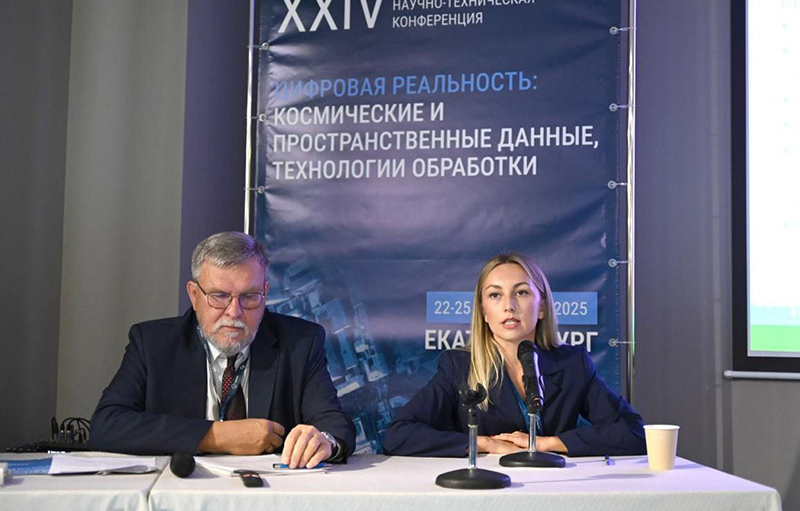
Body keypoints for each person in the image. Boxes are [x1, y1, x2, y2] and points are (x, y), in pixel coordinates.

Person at [91, 231, 355, 468]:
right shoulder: (153, 343)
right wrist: (217, 435)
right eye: (219, 296)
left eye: (249, 297)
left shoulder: (300, 342)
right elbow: (107, 425)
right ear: (194, 295)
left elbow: (334, 424)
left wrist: (324, 441)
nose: (234, 312)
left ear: (265, 293)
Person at [383, 253, 645, 457]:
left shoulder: (572, 363)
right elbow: (398, 435)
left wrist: (548, 443)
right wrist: (484, 444)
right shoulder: (459, 366)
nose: (508, 306)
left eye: (521, 292)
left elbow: (634, 432)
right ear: (484, 313)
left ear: (542, 307)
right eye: (495, 295)